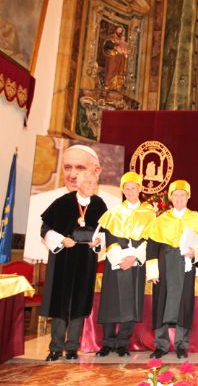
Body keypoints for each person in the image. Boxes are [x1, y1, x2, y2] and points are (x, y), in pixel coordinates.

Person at [40, 170, 106, 361]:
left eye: (94, 184)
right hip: (64, 258)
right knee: (60, 302)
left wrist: (98, 242)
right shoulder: (63, 202)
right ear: (79, 184)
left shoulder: (99, 205)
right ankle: (55, 347)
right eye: (88, 184)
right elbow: (45, 229)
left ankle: (72, 348)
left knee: (78, 303)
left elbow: (105, 233)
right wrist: (61, 240)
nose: (92, 187)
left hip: (85, 260)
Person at [26, 144, 121, 263]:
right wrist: (61, 240)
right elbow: (43, 234)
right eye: (67, 167)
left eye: (80, 168)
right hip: (57, 266)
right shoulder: (38, 202)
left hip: (88, 268)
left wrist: (98, 241)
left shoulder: (114, 206)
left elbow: (110, 239)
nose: (72, 175)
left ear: (97, 170)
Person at [95, 172, 155, 357]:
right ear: (122, 190)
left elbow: (150, 240)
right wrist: (119, 259)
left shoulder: (150, 213)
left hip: (135, 263)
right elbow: (108, 238)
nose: (130, 191)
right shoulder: (113, 213)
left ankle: (122, 343)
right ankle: (107, 342)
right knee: (110, 302)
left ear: (140, 189)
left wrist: (134, 259)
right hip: (115, 262)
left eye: (133, 188)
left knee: (130, 303)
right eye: (126, 188)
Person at [145, 180, 198, 359]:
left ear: (188, 197)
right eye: (176, 195)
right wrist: (153, 271)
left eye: (183, 195)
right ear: (170, 197)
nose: (179, 198)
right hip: (164, 266)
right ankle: (161, 345)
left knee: (184, 304)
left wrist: (195, 253)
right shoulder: (161, 219)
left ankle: (181, 344)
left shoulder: (195, 218)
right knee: (161, 303)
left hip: (185, 266)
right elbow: (152, 246)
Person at [103, 26, 130, 90]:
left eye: (121, 30)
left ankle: (117, 85)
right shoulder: (111, 37)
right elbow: (107, 44)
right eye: (119, 30)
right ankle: (108, 83)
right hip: (112, 57)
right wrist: (116, 47)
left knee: (119, 72)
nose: (119, 31)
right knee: (111, 70)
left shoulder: (121, 40)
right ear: (116, 30)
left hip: (120, 58)